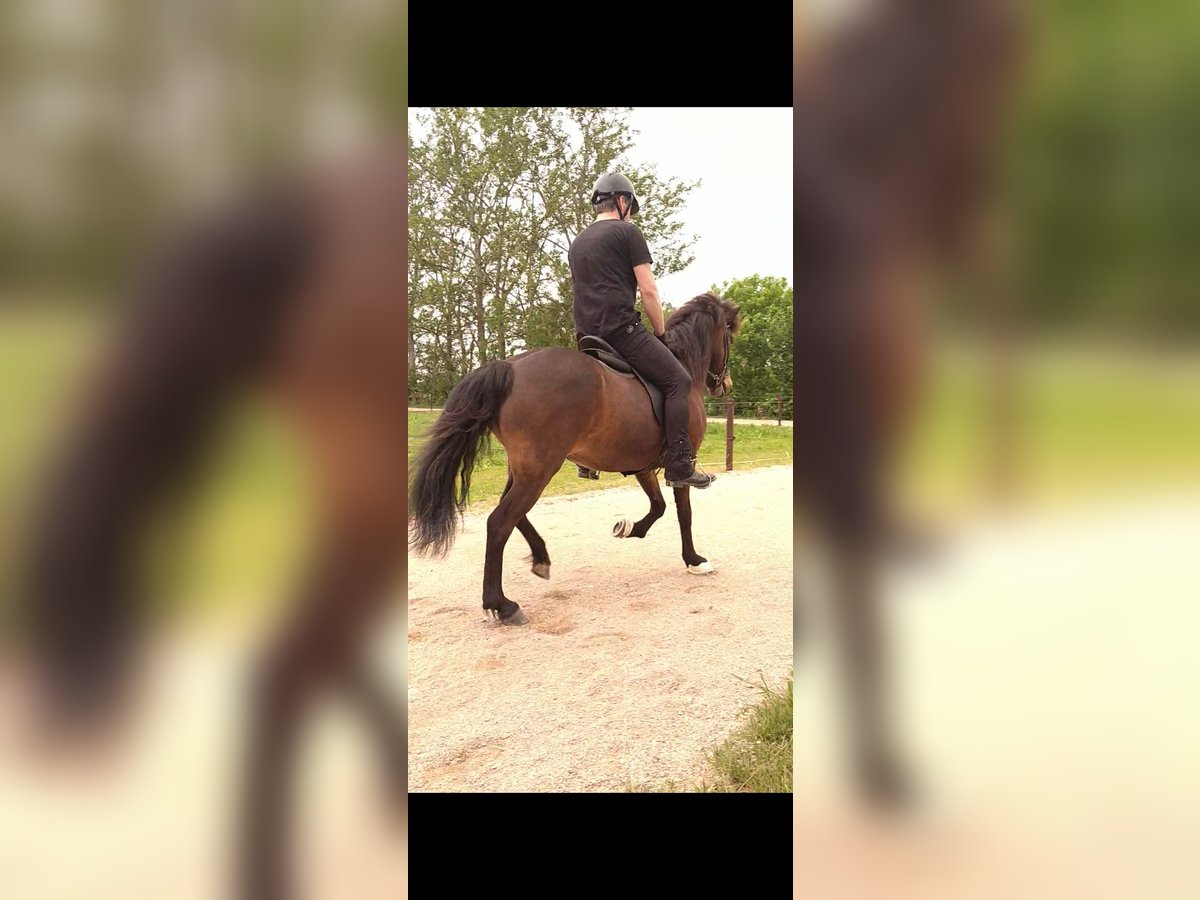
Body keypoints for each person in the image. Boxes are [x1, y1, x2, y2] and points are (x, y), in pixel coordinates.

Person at [567, 172, 714, 489]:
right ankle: (679, 465)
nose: (631, 214)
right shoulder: (628, 233)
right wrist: (660, 334)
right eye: (630, 208)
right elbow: (648, 291)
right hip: (621, 332)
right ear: (622, 201)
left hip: (587, 337)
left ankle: (585, 459)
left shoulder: (578, 243)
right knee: (679, 381)